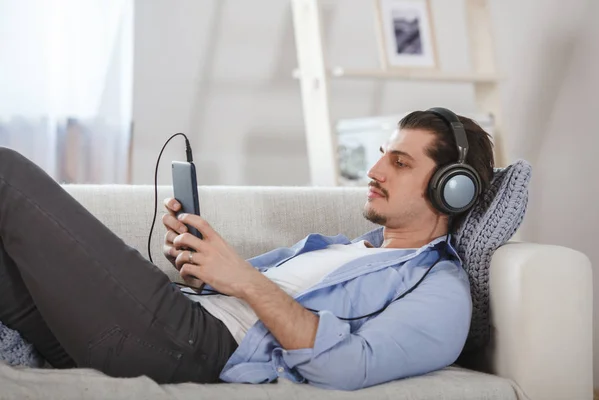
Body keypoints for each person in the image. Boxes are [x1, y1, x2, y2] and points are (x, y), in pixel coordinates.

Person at [0, 108, 494, 391]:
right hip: (181, 319)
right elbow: (244, 296)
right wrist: (203, 272)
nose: (375, 170)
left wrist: (242, 279)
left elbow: (349, 365)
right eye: (383, 155)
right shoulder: (347, 249)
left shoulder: (442, 290)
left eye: (400, 162)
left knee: (8, 175)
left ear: (453, 189)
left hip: (197, 347)